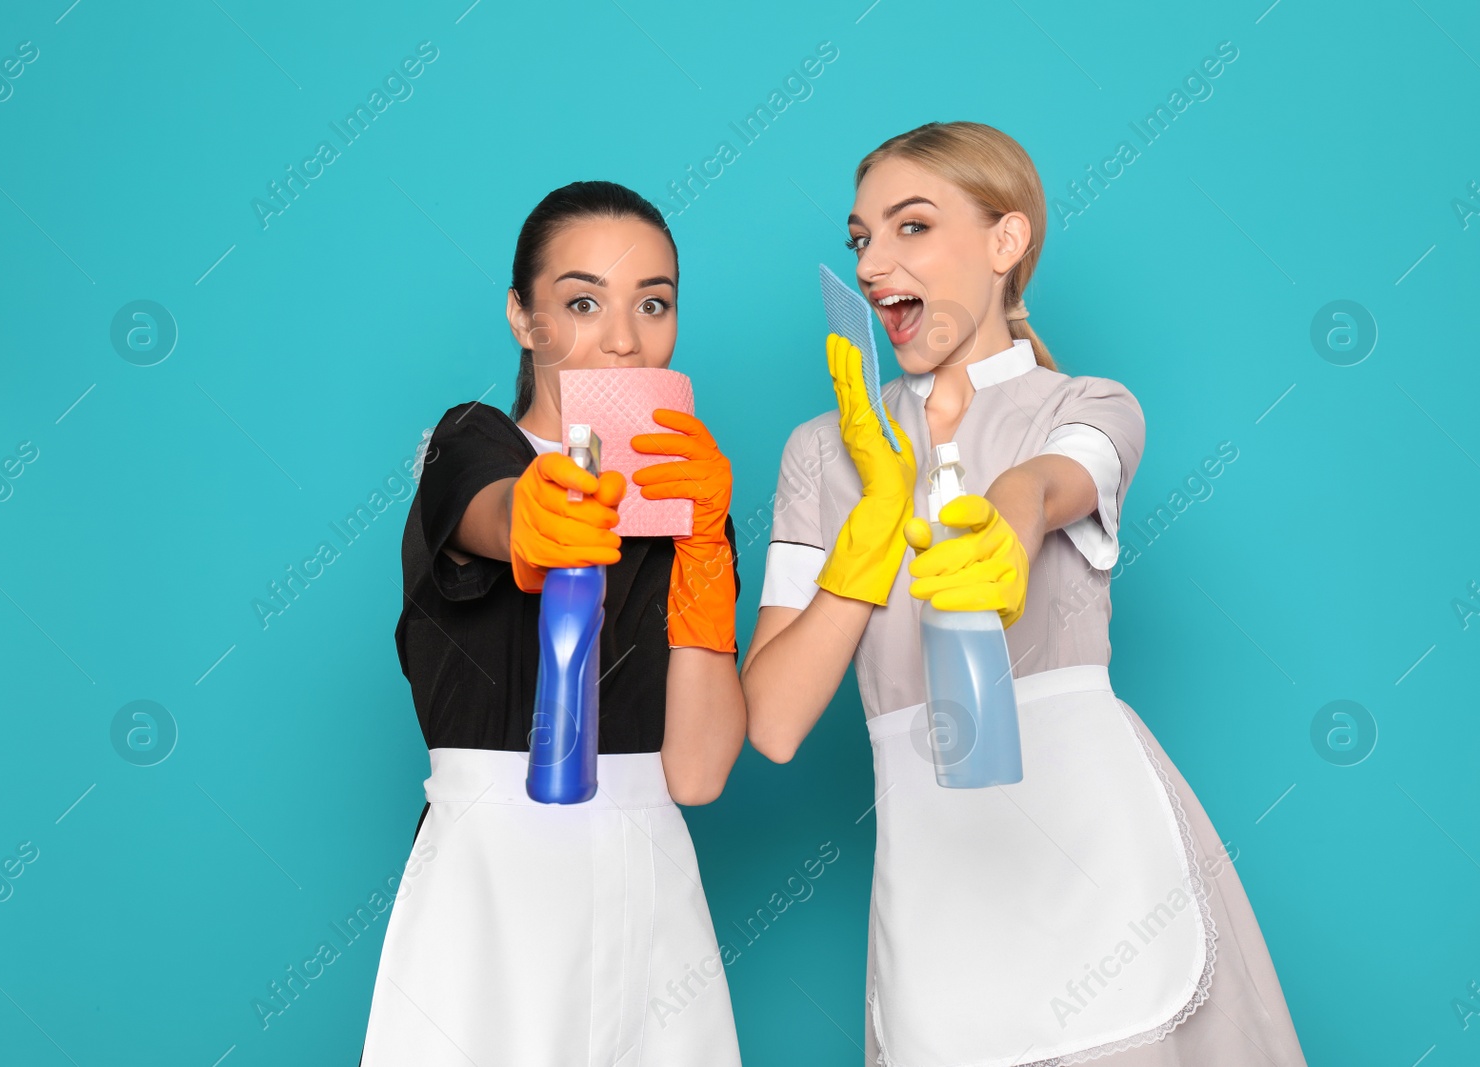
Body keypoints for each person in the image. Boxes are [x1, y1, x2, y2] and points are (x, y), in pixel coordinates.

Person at [742, 123, 1307, 1066]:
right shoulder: (823, 450)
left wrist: (1008, 516)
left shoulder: (1087, 403)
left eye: (911, 227)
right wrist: (875, 523)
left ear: (1007, 243)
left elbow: (1054, 480)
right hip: (938, 881)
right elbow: (772, 722)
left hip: (1099, 858)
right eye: (861, 239)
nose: (876, 262)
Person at [360, 180, 746, 1066]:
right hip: (491, 888)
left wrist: (706, 554)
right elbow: (489, 507)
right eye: (581, 302)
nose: (623, 337)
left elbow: (696, 771)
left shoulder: (696, 495)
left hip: (651, 885)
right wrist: (532, 523)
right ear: (522, 318)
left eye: (654, 303)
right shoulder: (472, 442)